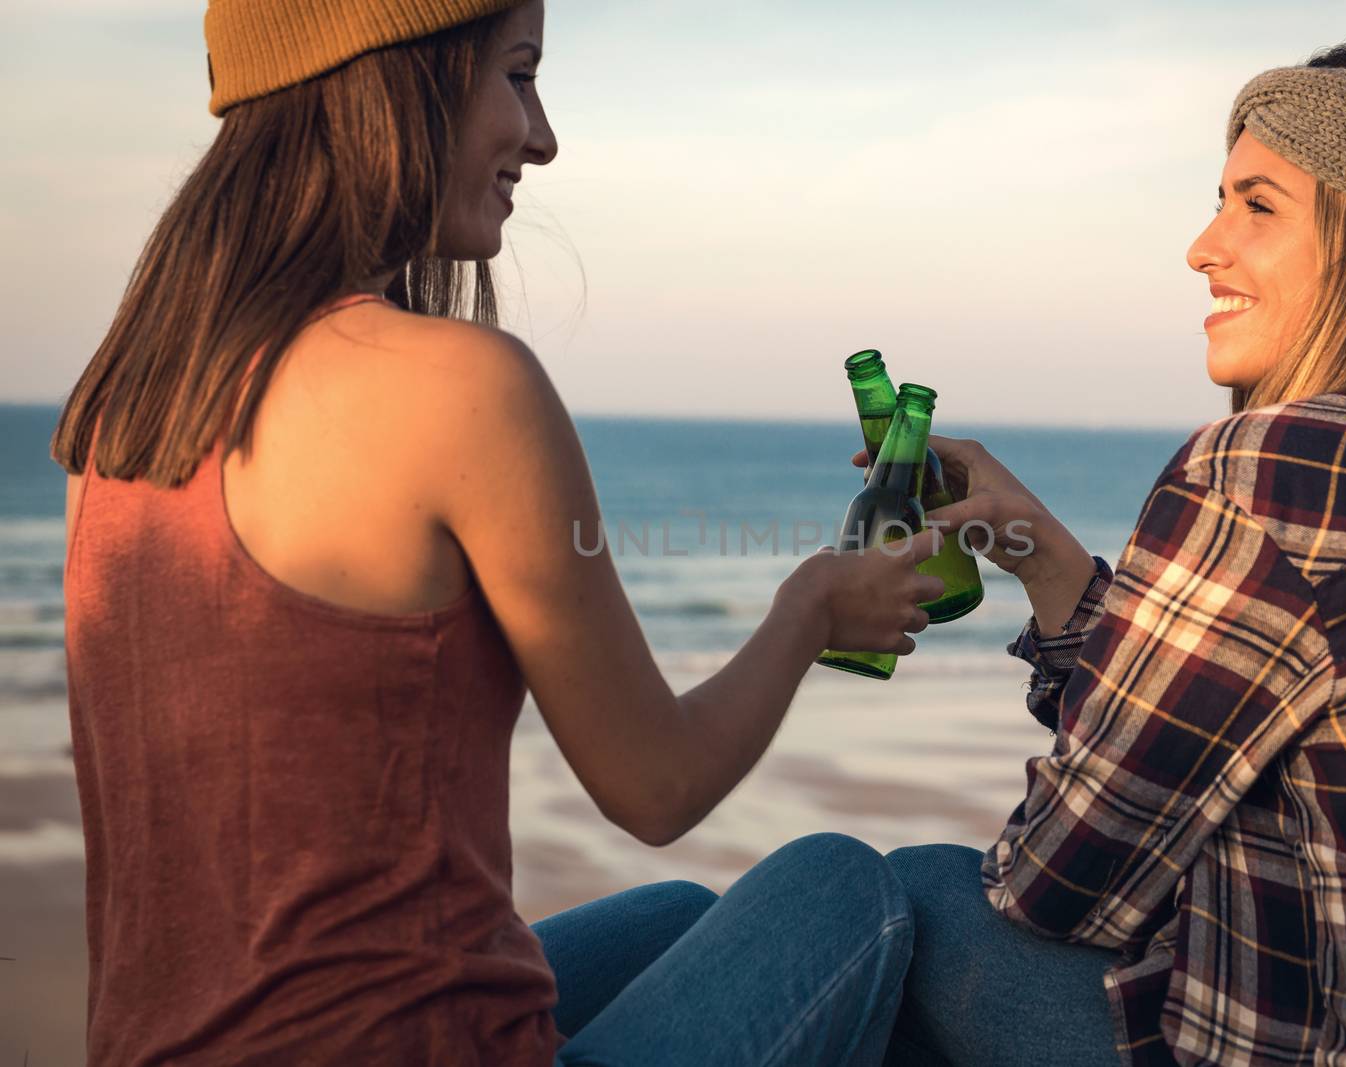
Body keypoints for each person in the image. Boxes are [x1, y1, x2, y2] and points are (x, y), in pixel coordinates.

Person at [50, 2, 946, 1063]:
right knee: (847, 886)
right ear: (394, 80)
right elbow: (655, 784)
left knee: (670, 918)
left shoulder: (126, 406)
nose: (542, 133)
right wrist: (812, 606)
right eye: (517, 76)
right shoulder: (457, 383)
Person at [871, 35, 1346, 1067]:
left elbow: (1059, 878)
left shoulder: (1284, 471)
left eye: (1257, 205)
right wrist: (1045, 561)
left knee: (898, 902)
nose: (1202, 246)